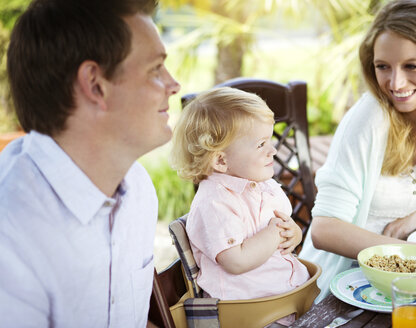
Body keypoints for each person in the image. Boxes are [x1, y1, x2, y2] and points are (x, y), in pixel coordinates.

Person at [0, 0, 180, 327]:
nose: (174, 85)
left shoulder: (137, 190)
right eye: (156, 69)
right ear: (96, 85)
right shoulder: (10, 231)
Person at [300, 0, 416, 301]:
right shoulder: (368, 120)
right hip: (342, 284)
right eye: (383, 67)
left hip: (411, 279)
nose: (395, 82)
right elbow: (325, 230)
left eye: (411, 66)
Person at [170, 87, 310, 327]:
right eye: (261, 144)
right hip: (251, 314)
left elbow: (284, 223)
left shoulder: (260, 184)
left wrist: (292, 234)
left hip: (286, 301)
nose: (273, 150)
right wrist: (275, 233)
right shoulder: (214, 202)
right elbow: (235, 261)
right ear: (221, 160)